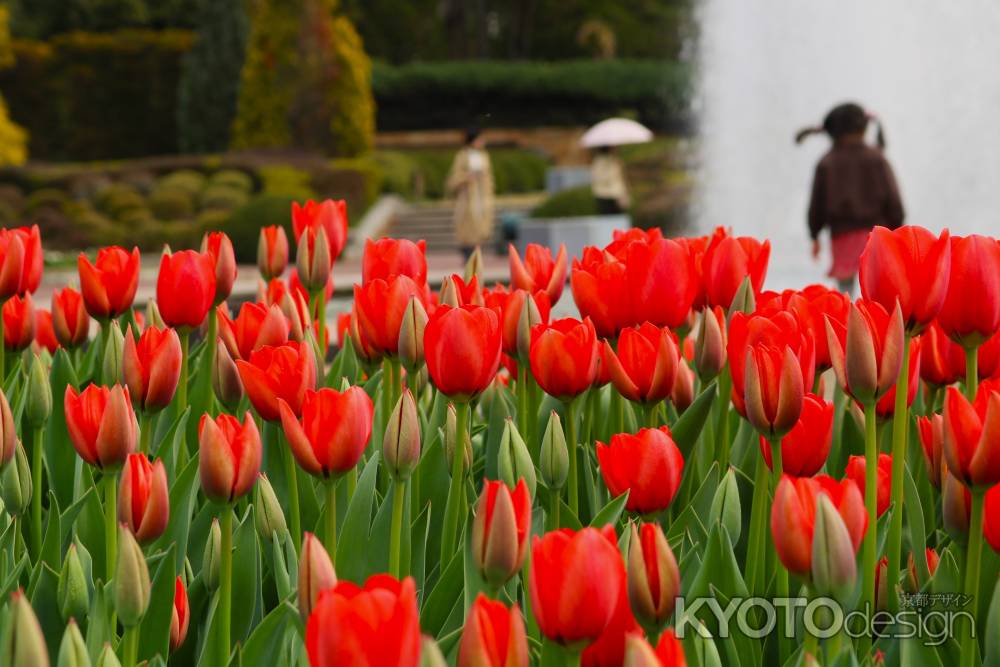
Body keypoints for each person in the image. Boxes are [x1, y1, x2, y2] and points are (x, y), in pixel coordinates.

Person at [797, 102, 904, 295]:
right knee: (878, 291)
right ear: (864, 128)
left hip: (842, 236)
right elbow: (893, 199)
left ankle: (848, 322)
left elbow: (817, 205)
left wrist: (815, 236)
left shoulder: (826, 162)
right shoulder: (876, 158)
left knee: (846, 295)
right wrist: (897, 230)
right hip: (877, 235)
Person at [446, 127, 495, 261]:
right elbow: (453, 178)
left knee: (481, 226)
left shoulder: (484, 156)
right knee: (467, 227)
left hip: (482, 196)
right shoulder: (462, 156)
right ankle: (468, 256)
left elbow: (489, 177)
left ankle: (477, 255)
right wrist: (467, 177)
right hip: (467, 197)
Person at [590, 145, 630, 214]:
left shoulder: (613, 160)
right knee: (613, 220)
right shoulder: (601, 162)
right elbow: (603, 178)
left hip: (609, 195)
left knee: (614, 220)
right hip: (609, 195)